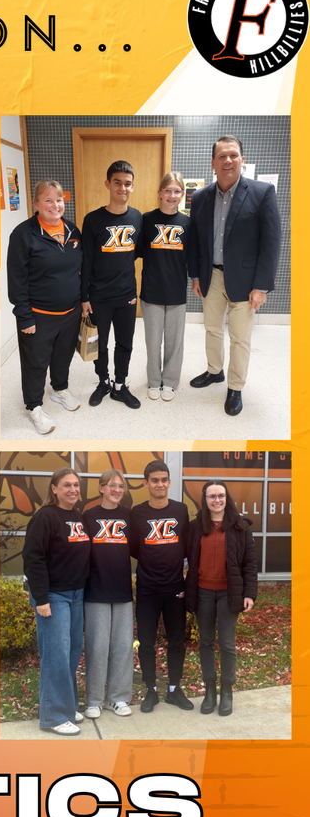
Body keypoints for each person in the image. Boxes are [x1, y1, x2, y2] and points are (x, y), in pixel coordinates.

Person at [188, 135, 281, 416]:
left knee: (240, 337)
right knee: (212, 329)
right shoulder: (201, 197)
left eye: (233, 155)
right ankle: (214, 371)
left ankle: (235, 387)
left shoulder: (262, 192)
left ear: (241, 160)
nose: (227, 161)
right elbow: (194, 240)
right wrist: (195, 276)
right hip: (211, 277)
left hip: (246, 281)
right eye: (222, 156)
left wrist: (261, 286)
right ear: (213, 163)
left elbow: (271, 242)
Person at [6, 179, 82, 435]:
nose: (54, 205)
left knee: (63, 355)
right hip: (38, 315)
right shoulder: (23, 234)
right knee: (36, 363)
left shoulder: (73, 231)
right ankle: (34, 407)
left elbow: (79, 270)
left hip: (70, 312)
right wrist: (24, 316)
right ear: (36, 203)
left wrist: (82, 302)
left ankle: (59, 389)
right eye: (47, 200)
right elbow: (16, 280)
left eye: (59, 199)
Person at [23, 468, 91, 735]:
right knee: (56, 656)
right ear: (53, 488)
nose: (73, 489)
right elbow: (33, 558)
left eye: (76, 485)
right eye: (66, 485)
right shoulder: (45, 517)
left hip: (76, 594)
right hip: (53, 595)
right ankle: (53, 716)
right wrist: (41, 598)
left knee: (72, 653)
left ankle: (66, 705)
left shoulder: (76, 515)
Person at [185, 481, 257, 717]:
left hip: (229, 594)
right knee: (205, 642)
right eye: (211, 496)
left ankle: (227, 691)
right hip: (203, 593)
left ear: (227, 498)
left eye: (221, 495)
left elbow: (249, 563)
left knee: (227, 644)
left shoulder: (240, 527)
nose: (216, 500)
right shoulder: (196, 527)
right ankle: (209, 691)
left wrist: (249, 593)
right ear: (204, 500)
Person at [130, 459, 192, 713]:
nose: (160, 484)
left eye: (164, 479)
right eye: (154, 480)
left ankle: (175, 689)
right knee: (146, 642)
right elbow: (134, 547)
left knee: (177, 641)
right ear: (146, 483)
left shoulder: (181, 510)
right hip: (147, 588)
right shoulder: (137, 512)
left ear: (169, 482)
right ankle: (151, 690)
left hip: (175, 586)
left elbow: (185, 543)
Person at [81, 160, 143, 410]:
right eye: (117, 182)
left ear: (132, 187)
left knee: (125, 342)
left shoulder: (137, 217)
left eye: (127, 184)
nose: (122, 188)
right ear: (108, 184)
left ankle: (120, 385)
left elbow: (137, 252)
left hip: (127, 294)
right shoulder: (93, 219)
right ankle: (103, 382)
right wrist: (83, 295)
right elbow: (85, 260)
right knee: (100, 344)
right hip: (98, 296)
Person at [82, 469, 133, 718]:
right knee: (97, 647)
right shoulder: (88, 517)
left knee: (123, 646)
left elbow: (139, 549)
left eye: (121, 486)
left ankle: (118, 698)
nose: (117, 490)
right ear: (101, 488)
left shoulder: (128, 516)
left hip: (123, 589)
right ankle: (93, 700)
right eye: (112, 485)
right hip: (96, 590)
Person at [140, 172, 191, 401]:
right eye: (168, 190)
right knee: (153, 341)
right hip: (151, 289)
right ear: (160, 193)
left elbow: (193, 257)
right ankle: (153, 380)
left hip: (177, 291)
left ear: (182, 194)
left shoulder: (188, 223)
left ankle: (169, 380)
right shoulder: (147, 219)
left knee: (174, 341)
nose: (172, 195)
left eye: (177, 191)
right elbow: (136, 251)